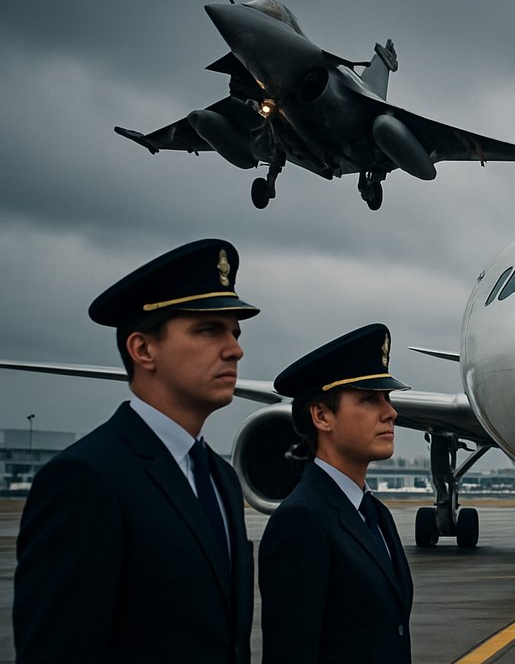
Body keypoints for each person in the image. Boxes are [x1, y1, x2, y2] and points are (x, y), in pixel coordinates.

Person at [14, 238, 259, 663]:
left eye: (234, 332)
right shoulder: (84, 480)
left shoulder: (220, 479)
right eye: (208, 329)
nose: (235, 348)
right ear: (143, 349)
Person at [259, 323, 415, 664]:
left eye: (387, 398)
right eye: (369, 399)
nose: (390, 412)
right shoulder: (301, 520)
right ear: (321, 415)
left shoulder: (375, 514)